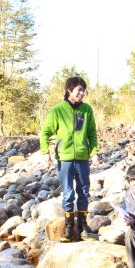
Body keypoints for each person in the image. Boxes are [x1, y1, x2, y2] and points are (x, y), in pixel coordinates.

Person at [40, 76, 99, 242]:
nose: (82, 93)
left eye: (83, 90)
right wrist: (46, 152)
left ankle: (82, 227)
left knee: (84, 192)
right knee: (67, 193)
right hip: (64, 159)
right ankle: (68, 227)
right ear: (69, 91)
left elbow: (92, 133)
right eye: (79, 90)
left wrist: (94, 152)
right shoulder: (57, 110)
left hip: (82, 157)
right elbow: (45, 133)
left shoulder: (87, 110)